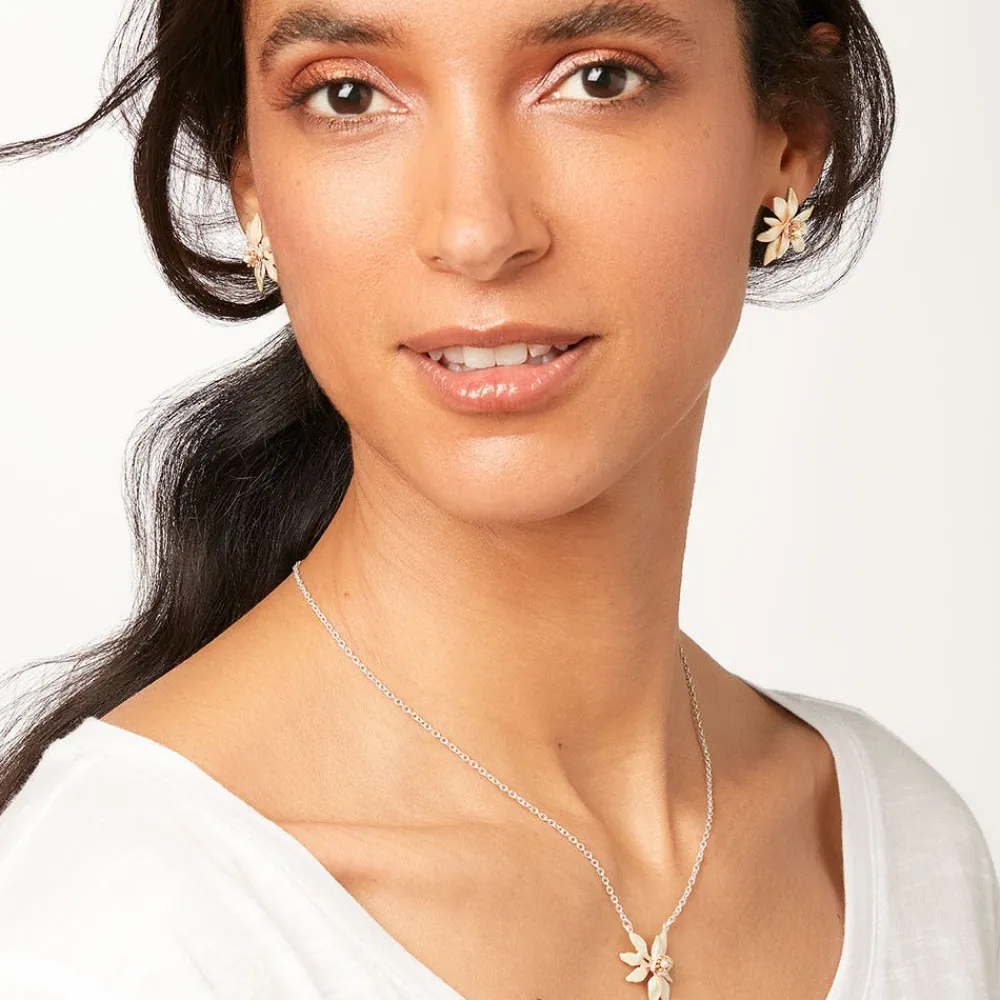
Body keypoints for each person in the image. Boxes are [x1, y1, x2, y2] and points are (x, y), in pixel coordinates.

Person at [0, 0, 996, 997]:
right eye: (347, 96)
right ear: (251, 179)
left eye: (599, 79)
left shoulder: (906, 851)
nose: (477, 233)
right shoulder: (108, 927)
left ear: (792, 136)